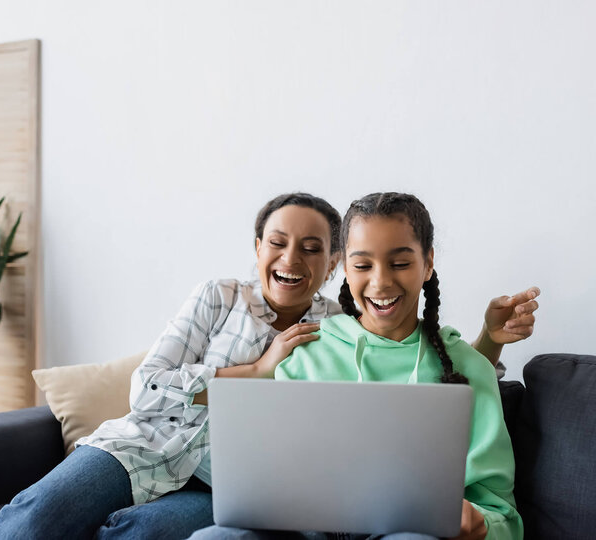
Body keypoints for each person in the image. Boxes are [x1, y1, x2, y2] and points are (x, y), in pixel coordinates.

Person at [0, 193, 537, 540]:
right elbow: (147, 388)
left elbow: (448, 380)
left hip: (231, 488)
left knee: (141, 530)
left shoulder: (351, 331)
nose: (292, 259)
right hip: (150, 451)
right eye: (278, 243)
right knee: (38, 515)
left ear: (327, 270)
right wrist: (257, 370)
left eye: (311, 249)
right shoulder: (245, 310)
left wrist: (487, 343)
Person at [191, 192, 523, 540]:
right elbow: (267, 473)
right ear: (346, 270)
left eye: (399, 264)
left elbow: (504, 516)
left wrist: (481, 523)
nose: (380, 282)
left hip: (406, 531)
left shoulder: (469, 368)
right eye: (363, 265)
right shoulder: (306, 348)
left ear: (428, 264)